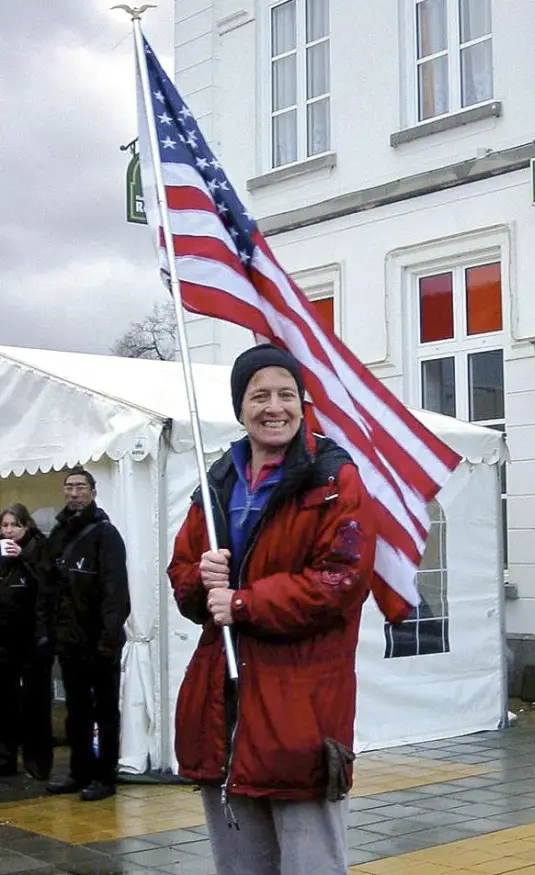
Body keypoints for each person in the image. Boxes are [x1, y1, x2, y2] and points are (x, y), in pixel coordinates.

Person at [168, 344, 377, 875]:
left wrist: (242, 602)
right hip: (227, 717)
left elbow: (341, 581)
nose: (274, 406)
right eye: (259, 395)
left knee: (312, 866)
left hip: (301, 718)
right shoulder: (216, 483)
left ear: (303, 404)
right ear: (240, 408)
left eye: (286, 393)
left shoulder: (333, 481)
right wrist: (202, 578)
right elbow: (184, 578)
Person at [42, 467, 130, 802]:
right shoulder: (59, 534)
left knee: (105, 710)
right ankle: (79, 771)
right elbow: (47, 584)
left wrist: (108, 638)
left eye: (81, 486)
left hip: (99, 640)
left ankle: (104, 776)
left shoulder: (106, 534)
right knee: (76, 709)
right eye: (69, 487)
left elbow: (115, 590)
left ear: (93, 491)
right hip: (69, 640)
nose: (74, 492)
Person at [0, 504, 54, 780]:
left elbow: (48, 586)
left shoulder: (38, 549)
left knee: (35, 703)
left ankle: (37, 762)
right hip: (5, 639)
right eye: (5, 525)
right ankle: (5, 758)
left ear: (27, 526)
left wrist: (24, 558)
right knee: (5, 701)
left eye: (14, 525)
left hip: (33, 639)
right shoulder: (2, 555)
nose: (9, 531)